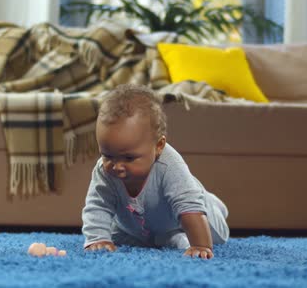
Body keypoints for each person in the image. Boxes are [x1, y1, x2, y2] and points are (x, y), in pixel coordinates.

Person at [82, 84, 229, 259]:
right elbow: (98, 205)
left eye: (129, 158)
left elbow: (189, 206)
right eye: (107, 155)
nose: (117, 166)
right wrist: (97, 239)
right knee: (119, 236)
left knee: (216, 234)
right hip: (145, 224)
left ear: (158, 146)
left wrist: (200, 245)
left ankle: (213, 203)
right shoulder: (104, 171)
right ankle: (169, 237)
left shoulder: (169, 166)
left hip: (188, 211)